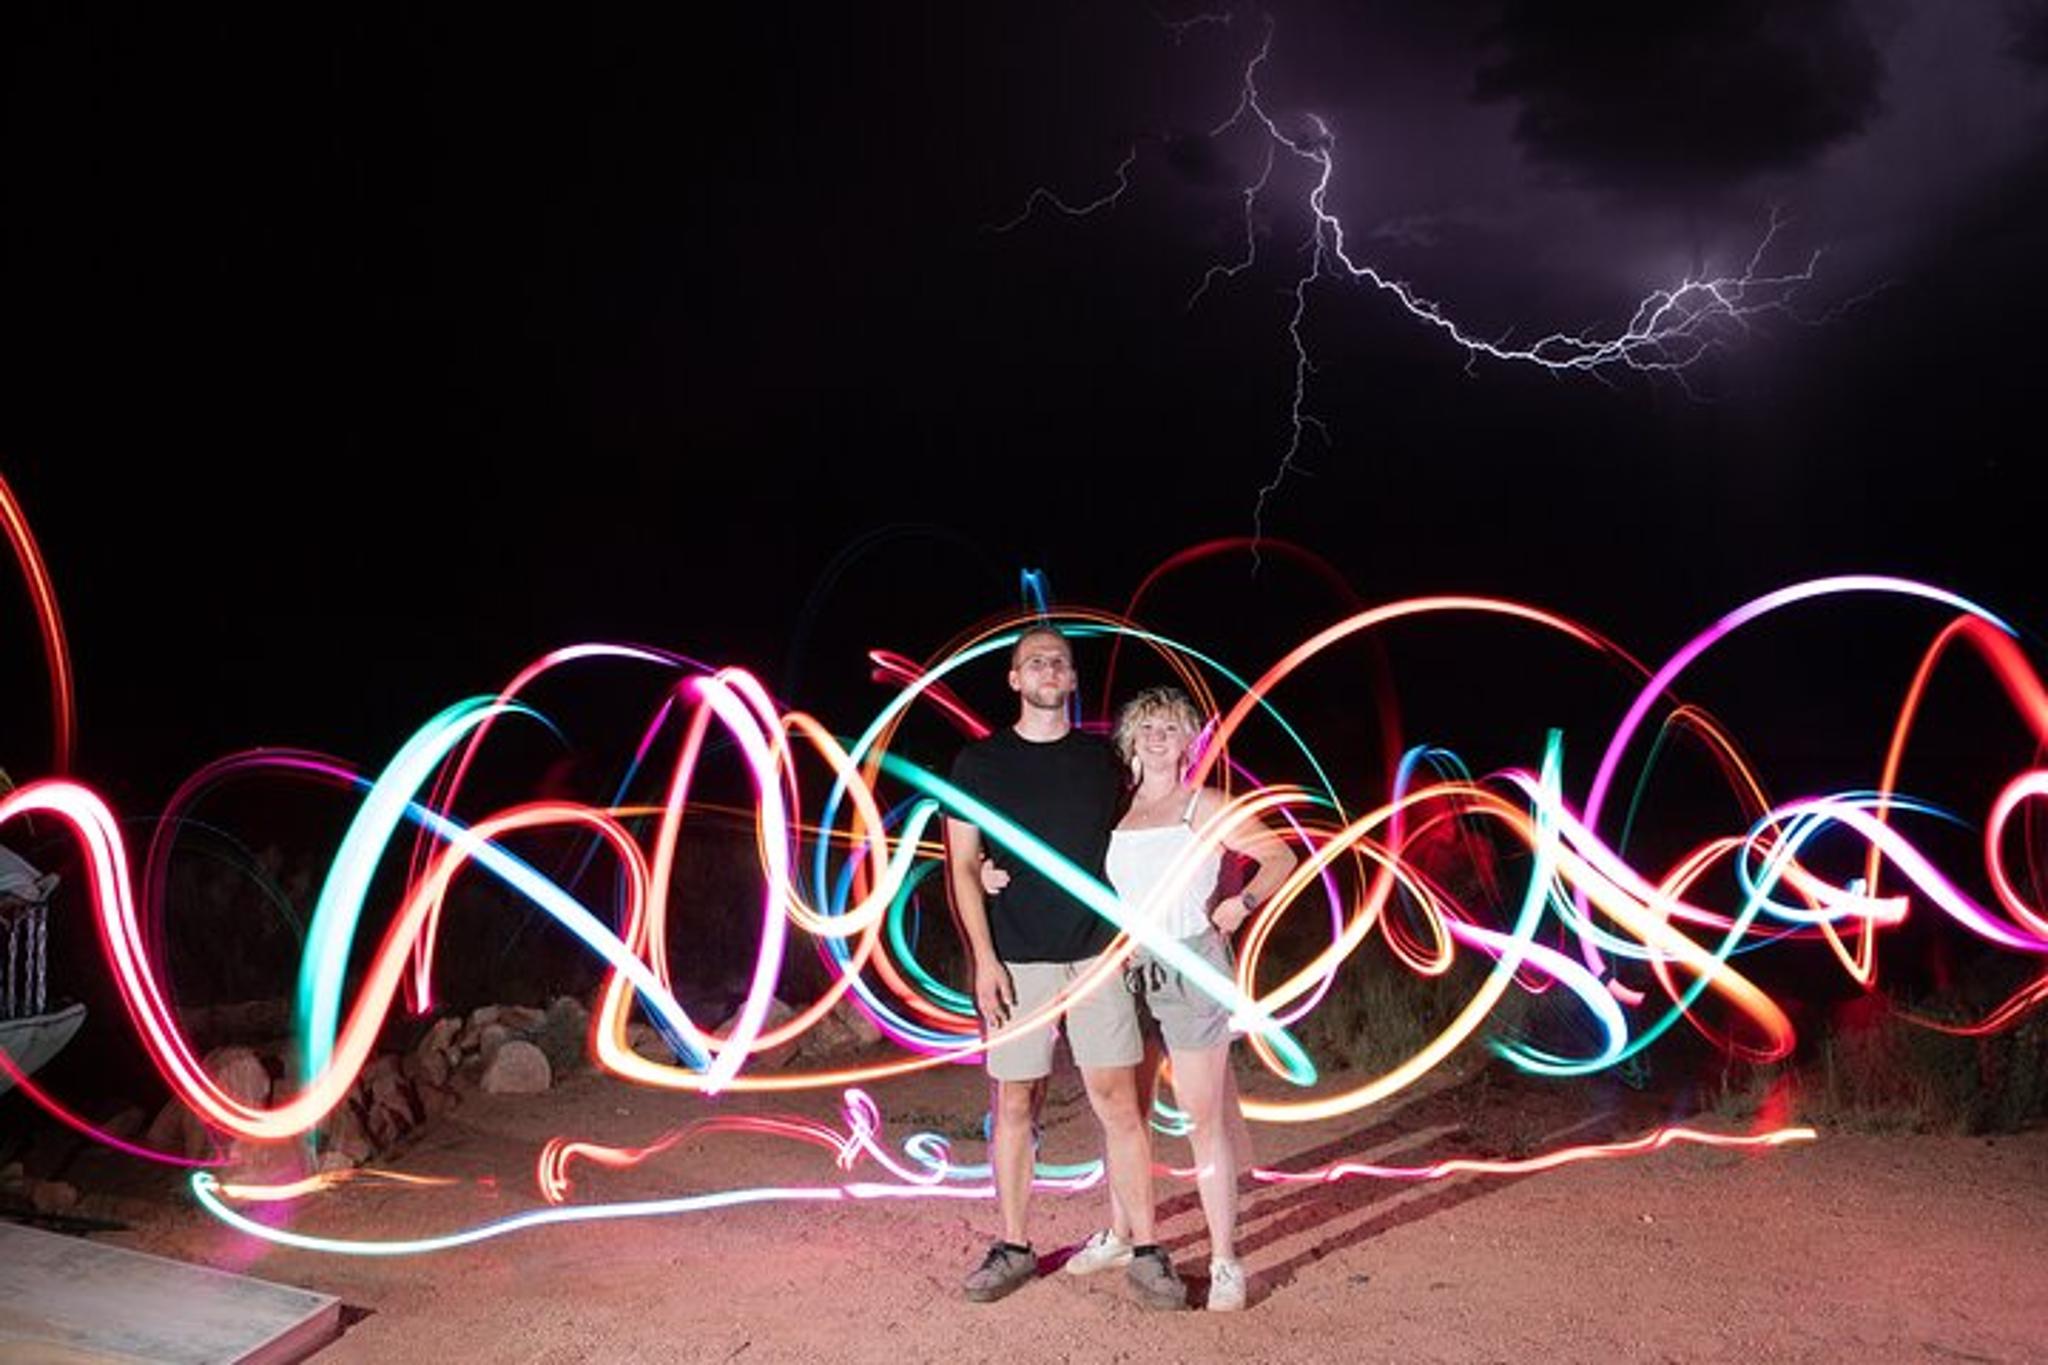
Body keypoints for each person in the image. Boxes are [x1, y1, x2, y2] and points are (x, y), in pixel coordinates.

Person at [988, 684, 1297, 1311]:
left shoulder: (1204, 805)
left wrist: (1241, 903)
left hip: (1188, 963)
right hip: (1124, 966)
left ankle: (1224, 1260)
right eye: (1147, 727)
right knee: (1123, 1111)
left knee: (1201, 1117)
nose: (1159, 737)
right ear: (1131, 740)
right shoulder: (1118, 810)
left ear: (1189, 741)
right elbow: (1063, 856)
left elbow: (1279, 857)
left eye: (1172, 727)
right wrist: (995, 872)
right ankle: (1125, 1233)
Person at [945, 626, 1187, 1309]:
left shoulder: (1105, 762)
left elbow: (1145, 836)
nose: (1048, 666)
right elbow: (963, 865)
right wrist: (982, 959)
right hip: (1016, 961)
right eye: (1034, 660)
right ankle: (1015, 1245)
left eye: (1060, 659)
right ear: (1015, 680)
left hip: (1096, 954)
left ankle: (1146, 1249)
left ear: (1073, 680)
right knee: (1016, 1102)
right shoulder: (978, 764)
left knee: (1121, 1103)